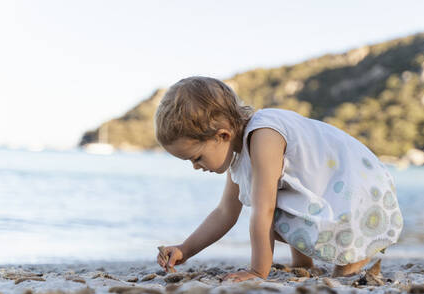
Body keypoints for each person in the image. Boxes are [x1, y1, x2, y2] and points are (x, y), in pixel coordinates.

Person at [154, 76, 403, 282]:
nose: (196, 167)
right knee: (273, 197)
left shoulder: (264, 137)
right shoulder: (239, 155)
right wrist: (185, 249)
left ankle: (355, 255)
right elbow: (224, 213)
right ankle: (304, 263)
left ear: (222, 135)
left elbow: (265, 210)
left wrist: (257, 271)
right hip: (339, 194)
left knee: (267, 207)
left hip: (360, 198)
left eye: (196, 158)